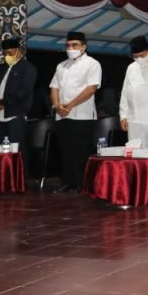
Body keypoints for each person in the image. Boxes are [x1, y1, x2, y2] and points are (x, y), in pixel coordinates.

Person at [49, 31, 102, 193]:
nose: (70, 48)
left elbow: (91, 88)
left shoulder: (92, 63)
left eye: (75, 45)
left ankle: (82, 183)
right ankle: (68, 182)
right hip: (62, 115)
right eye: (68, 45)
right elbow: (54, 87)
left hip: (82, 115)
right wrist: (57, 105)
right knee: (65, 150)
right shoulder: (61, 65)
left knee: (81, 151)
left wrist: (70, 105)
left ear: (83, 47)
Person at [0, 37, 37, 171]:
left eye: (11, 52)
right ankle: (1, 176)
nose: (8, 55)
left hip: (15, 113)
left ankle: (21, 177)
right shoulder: (1, 68)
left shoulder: (27, 68)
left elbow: (23, 91)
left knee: (17, 148)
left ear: (19, 51)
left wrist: (2, 102)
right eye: (6, 53)